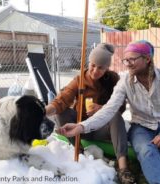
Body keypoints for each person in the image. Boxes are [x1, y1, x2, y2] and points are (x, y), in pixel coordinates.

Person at [58, 40, 160, 184]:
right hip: (141, 127)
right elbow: (109, 110)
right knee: (146, 151)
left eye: (132, 59)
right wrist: (81, 127)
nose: (127, 63)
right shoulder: (124, 83)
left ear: (147, 59)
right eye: (126, 60)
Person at [46, 43, 135, 184]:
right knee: (60, 112)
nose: (95, 70)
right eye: (93, 65)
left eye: (101, 68)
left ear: (107, 68)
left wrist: (101, 108)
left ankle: (123, 167)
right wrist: (43, 111)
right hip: (79, 128)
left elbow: (121, 106)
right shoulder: (79, 79)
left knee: (115, 115)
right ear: (89, 63)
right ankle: (79, 149)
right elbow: (62, 99)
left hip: (101, 129)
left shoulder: (113, 79)